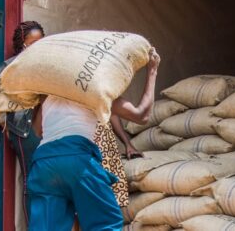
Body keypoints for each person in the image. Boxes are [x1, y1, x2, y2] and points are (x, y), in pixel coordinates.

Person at [27, 48, 161, 231]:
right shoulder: (94, 90)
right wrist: (152, 71)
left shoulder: (50, 92)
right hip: (77, 160)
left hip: (43, 164)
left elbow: (38, 130)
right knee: (105, 224)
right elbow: (141, 116)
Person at [0, 21, 46, 223]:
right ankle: (34, 226)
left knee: (48, 180)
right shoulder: (11, 65)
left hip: (47, 130)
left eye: (42, 40)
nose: (39, 44)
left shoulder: (47, 64)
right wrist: (6, 123)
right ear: (23, 43)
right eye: (34, 41)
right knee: (33, 180)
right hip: (24, 131)